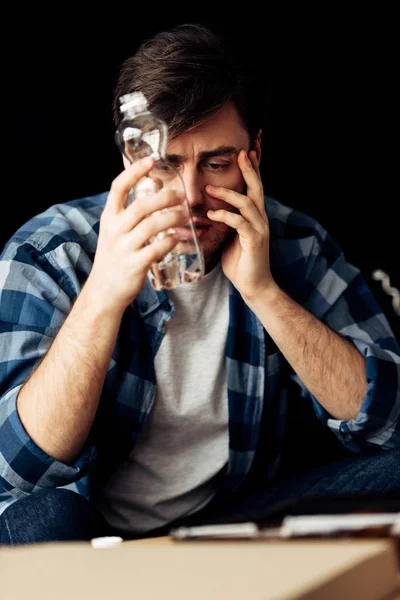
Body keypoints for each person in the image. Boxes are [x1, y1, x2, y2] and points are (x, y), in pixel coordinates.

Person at [0, 23, 399, 546]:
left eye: (216, 164)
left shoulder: (296, 244)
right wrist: (102, 296)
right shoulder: (52, 252)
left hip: (225, 520)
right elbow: (16, 469)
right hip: (89, 525)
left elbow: (391, 426)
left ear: (253, 155)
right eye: (165, 165)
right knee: (40, 520)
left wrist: (263, 293)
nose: (191, 195)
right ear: (129, 157)